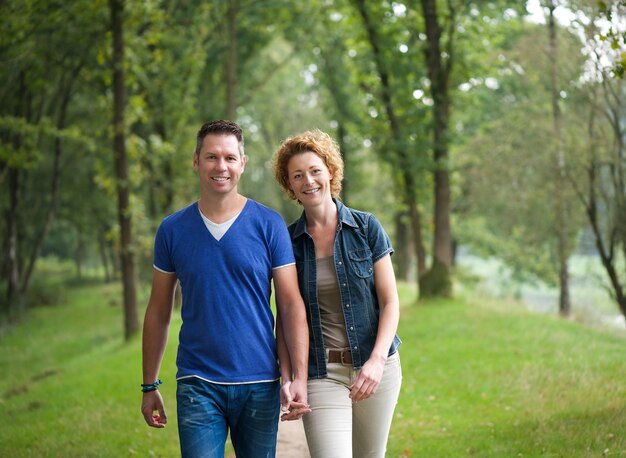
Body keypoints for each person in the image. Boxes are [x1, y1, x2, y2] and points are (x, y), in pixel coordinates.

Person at [141, 120, 310, 458]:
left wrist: (299, 378)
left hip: (259, 382)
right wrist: (149, 384)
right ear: (196, 161)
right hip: (197, 382)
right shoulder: (172, 230)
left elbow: (290, 305)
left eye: (230, 158)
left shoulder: (269, 224)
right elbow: (158, 310)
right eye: (211, 157)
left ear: (242, 164)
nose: (221, 166)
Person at [273, 129, 403, 458]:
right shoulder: (286, 243)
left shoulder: (366, 227)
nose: (309, 181)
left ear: (330, 171)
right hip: (321, 373)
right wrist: (287, 377)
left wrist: (375, 362)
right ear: (290, 186)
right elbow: (286, 316)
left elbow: (390, 303)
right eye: (297, 176)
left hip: (377, 367)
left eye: (315, 171)